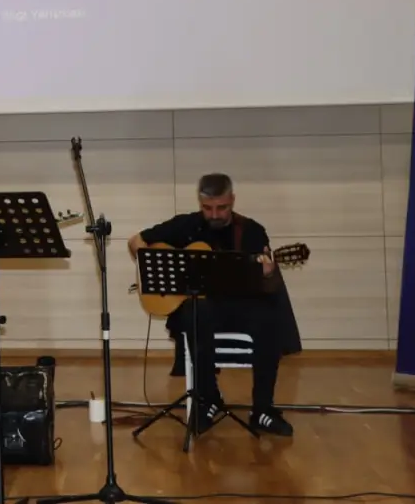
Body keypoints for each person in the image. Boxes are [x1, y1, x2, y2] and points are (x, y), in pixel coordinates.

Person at [128, 173, 299, 437]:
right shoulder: (186, 225)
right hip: (203, 310)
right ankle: (208, 399)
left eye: (222, 207)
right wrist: (150, 264)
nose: (215, 214)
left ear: (232, 200)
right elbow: (135, 240)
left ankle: (262, 409)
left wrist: (266, 272)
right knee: (196, 313)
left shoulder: (251, 231)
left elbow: (266, 284)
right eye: (208, 208)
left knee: (269, 317)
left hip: (240, 307)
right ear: (200, 203)